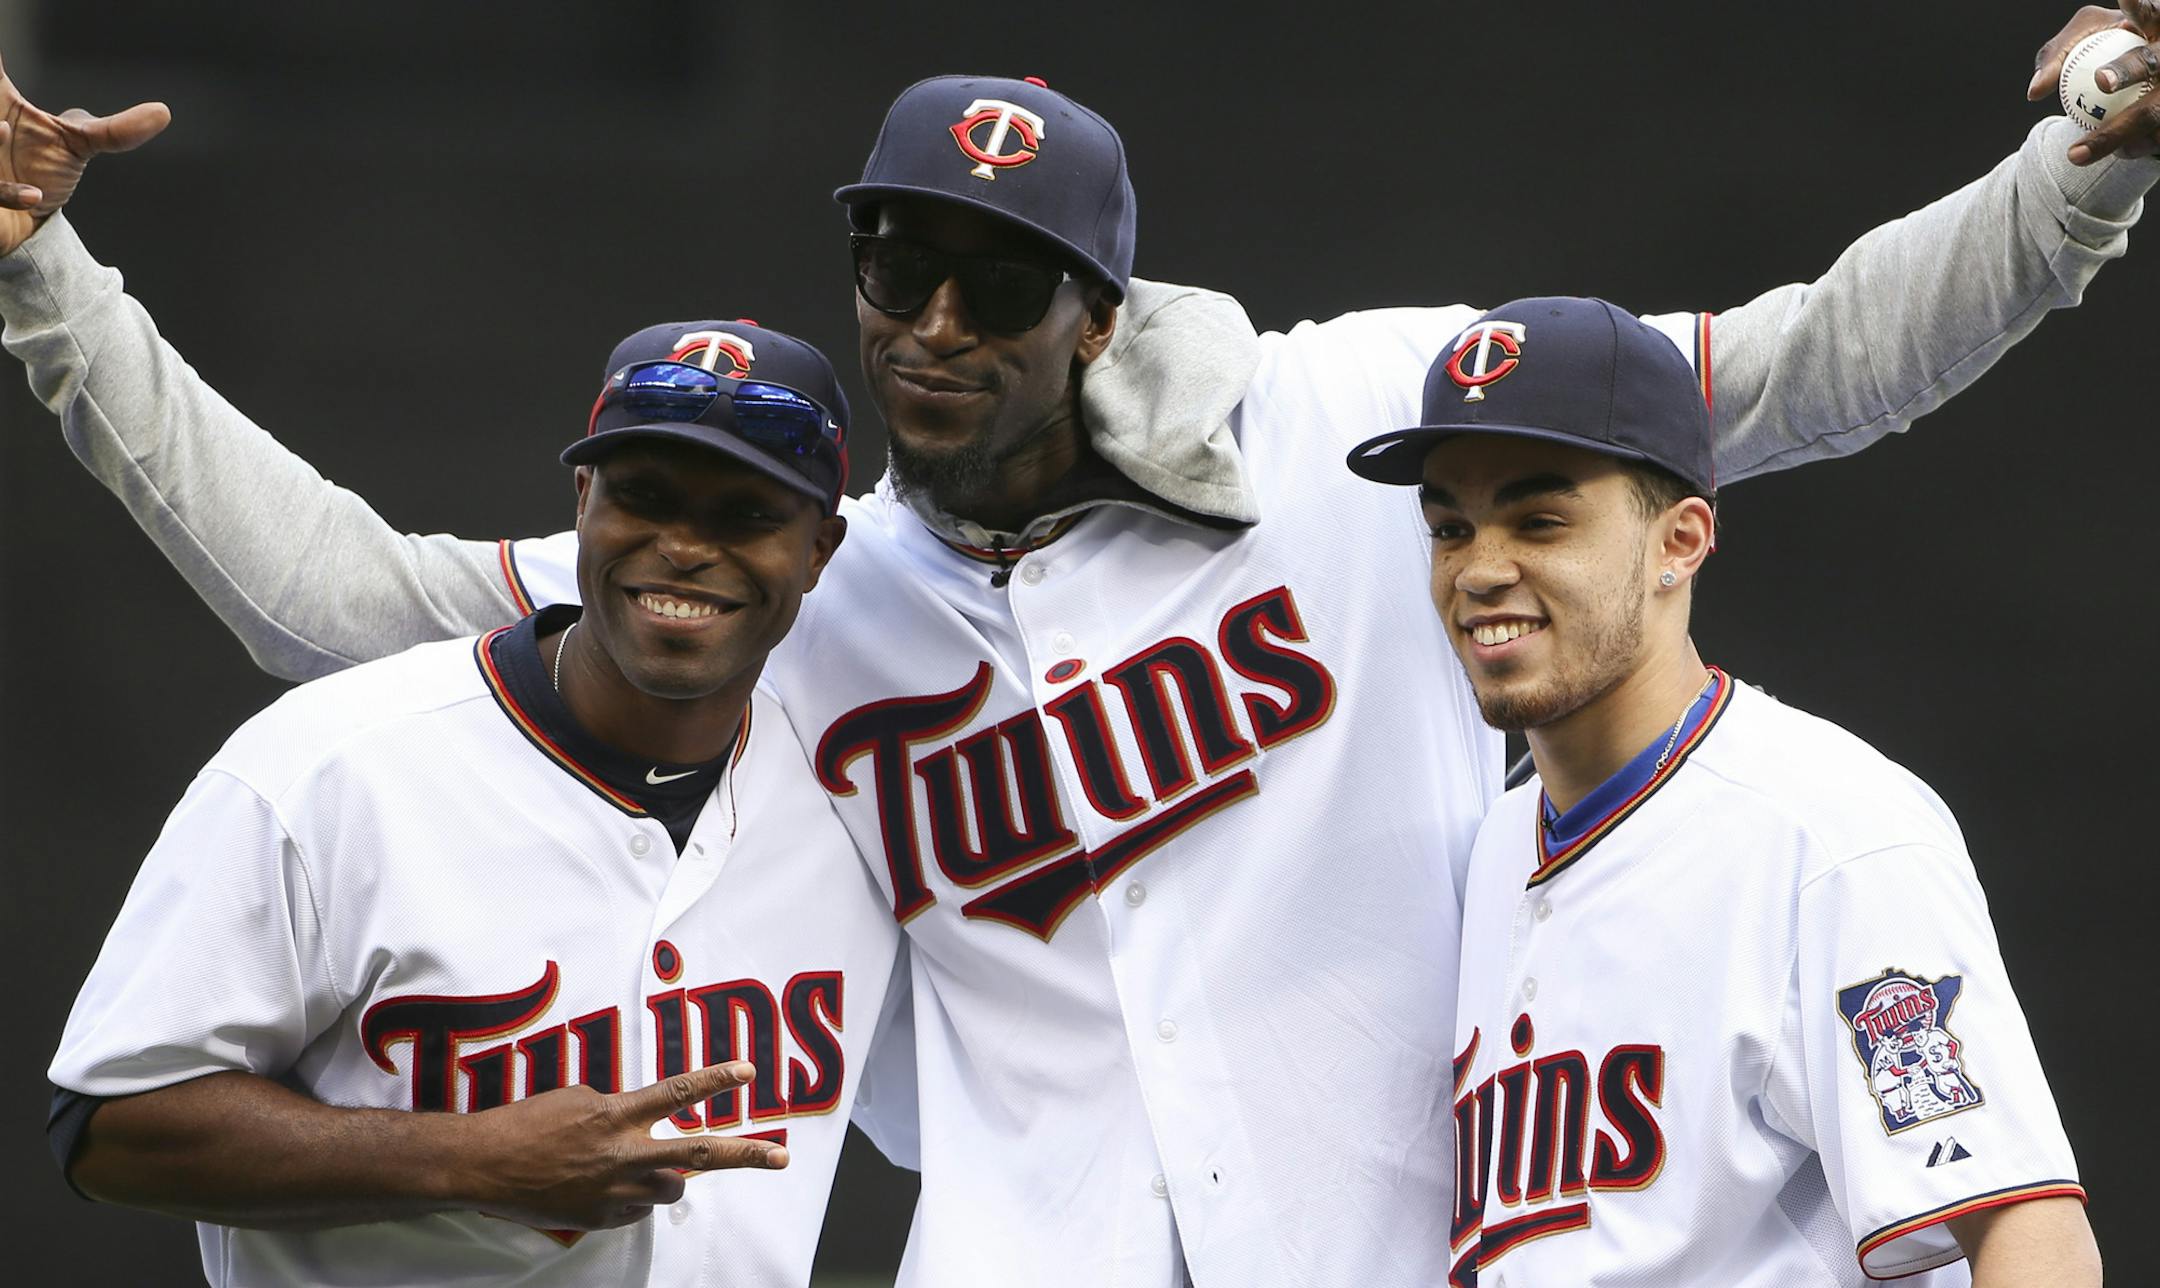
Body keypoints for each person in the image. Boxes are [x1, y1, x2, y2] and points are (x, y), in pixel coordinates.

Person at [3, 8, 2154, 1282]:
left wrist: (2076, 168)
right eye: (899, 264)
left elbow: (1800, 368)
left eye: (997, 278)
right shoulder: (791, 576)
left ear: (1098, 310)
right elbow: (335, 598)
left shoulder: (1355, 425)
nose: (937, 321)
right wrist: (47, 285)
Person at [45, 320, 910, 1288]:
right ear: (584, 500)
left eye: (745, 513)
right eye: (646, 497)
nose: (683, 547)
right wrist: (466, 1158)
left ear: (822, 547)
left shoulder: (855, 807)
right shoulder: (336, 763)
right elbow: (110, 1126)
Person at [1343, 296, 2101, 1287]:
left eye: (1539, 518)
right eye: (1451, 527)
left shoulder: (1828, 830)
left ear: (1682, 540)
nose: (1481, 569)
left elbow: (2029, 1233)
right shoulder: (1495, 848)